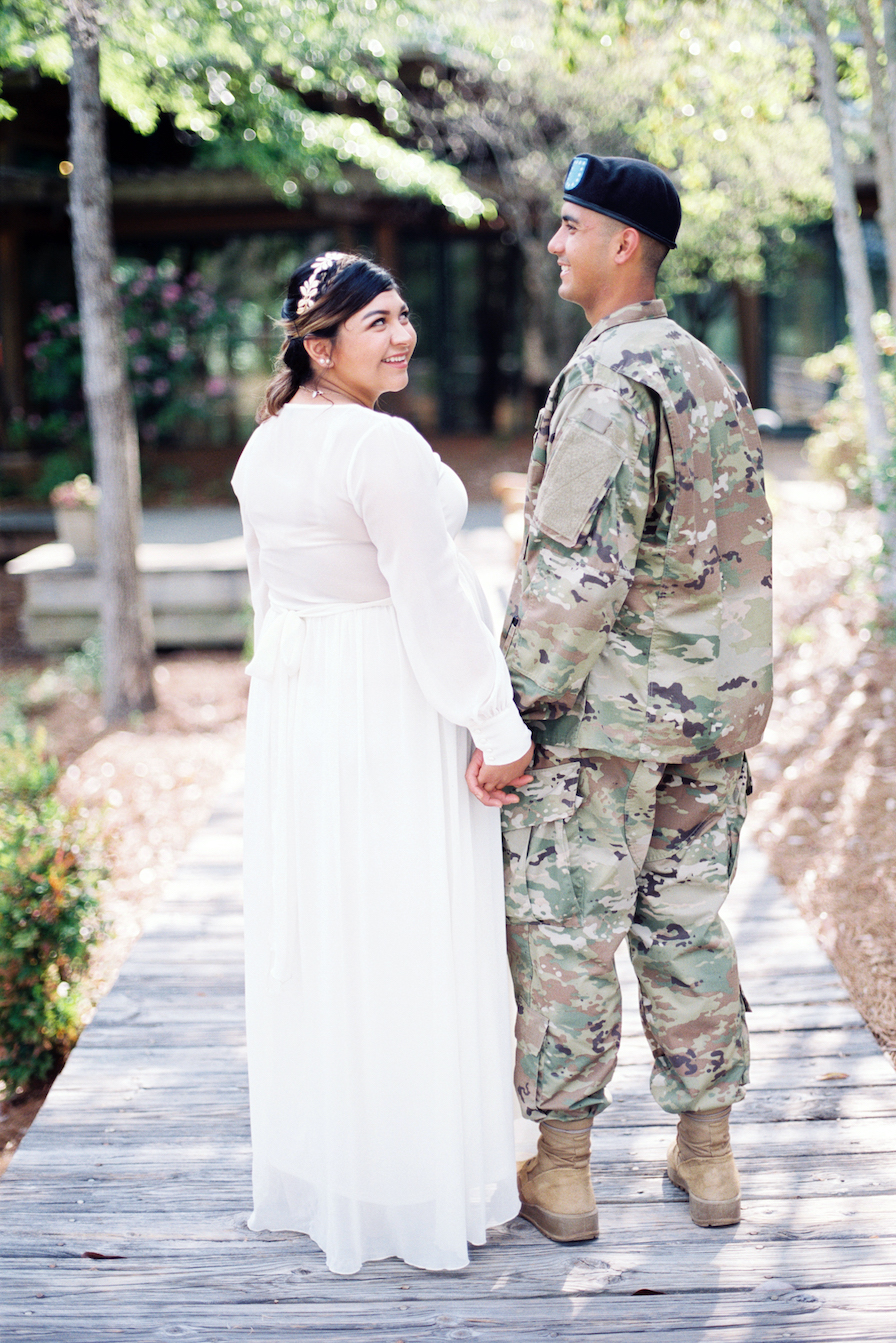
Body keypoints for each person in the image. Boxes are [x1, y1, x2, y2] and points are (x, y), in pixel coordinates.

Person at [467, 154, 773, 1240]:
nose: (554, 244)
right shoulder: (707, 370)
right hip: (712, 708)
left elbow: (572, 575)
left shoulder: (609, 378)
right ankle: (709, 1156)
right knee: (687, 921)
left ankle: (562, 1170)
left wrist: (507, 715)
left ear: (623, 244)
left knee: (567, 930)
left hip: (603, 720)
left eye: (569, 226)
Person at [232, 251, 534, 1275]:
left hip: (309, 705)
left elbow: (266, 594)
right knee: (406, 921)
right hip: (390, 699)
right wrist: (498, 726)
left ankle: (351, 1164)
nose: (401, 335)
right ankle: (418, 1175)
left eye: (403, 315)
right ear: (319, 345)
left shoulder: (266, 446)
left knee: (337, 924)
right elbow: (435, 604)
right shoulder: (379, 446)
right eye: (375, 323)